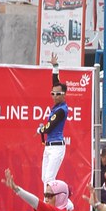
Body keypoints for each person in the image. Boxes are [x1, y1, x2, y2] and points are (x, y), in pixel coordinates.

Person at [37, 55, 69, 186]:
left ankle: (53, 204)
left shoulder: (61, 110)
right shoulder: (56, 105)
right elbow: (56, 83)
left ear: (64, 95)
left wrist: (41, 129)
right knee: (44, 179)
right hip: (49, 147)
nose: (54, 96)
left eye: (58, 94)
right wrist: (55, 67)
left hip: (57, 147)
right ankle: (61, 203)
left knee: (49, 179)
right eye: (52, 93)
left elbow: (49, 127)